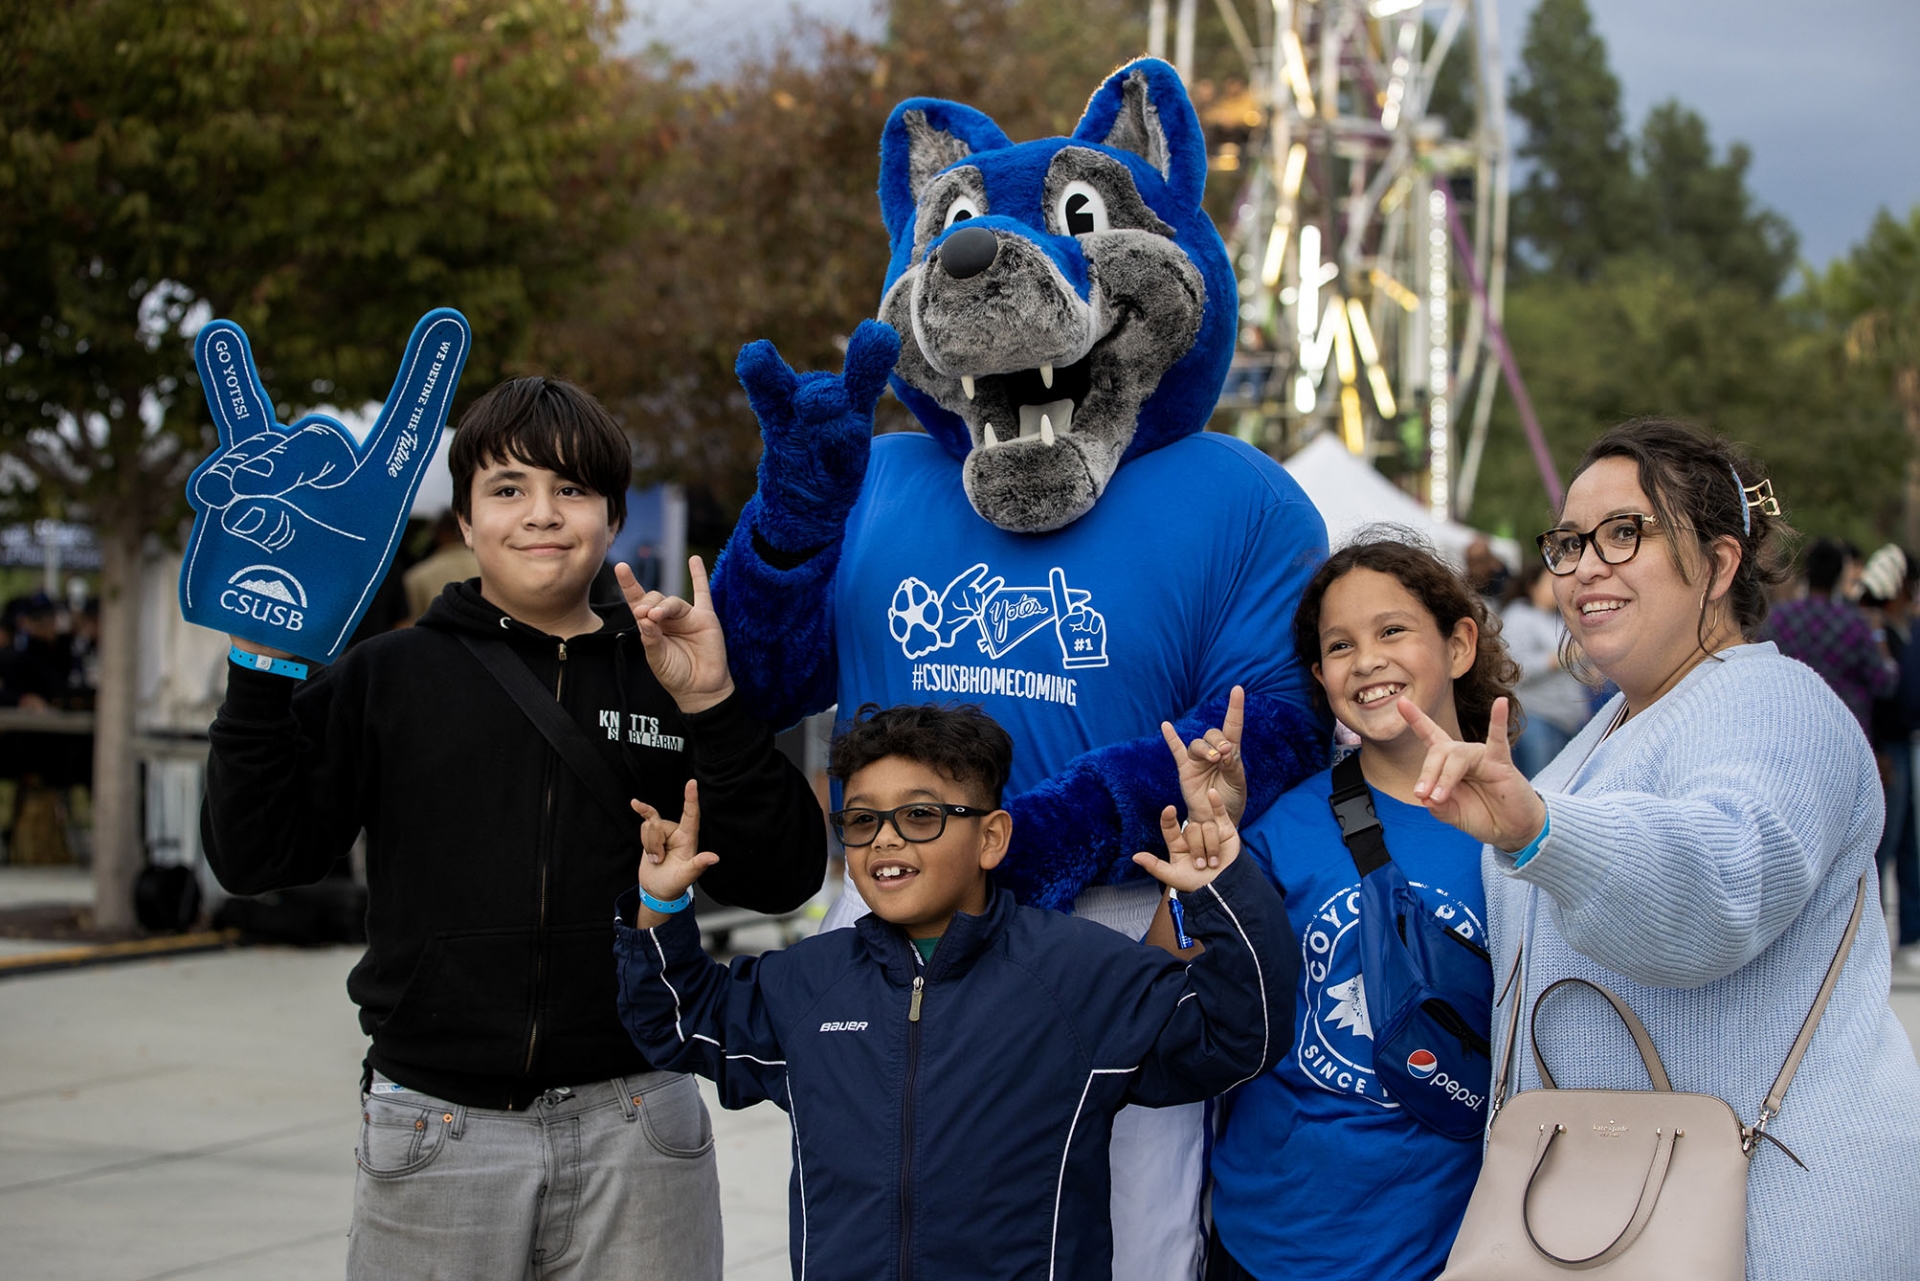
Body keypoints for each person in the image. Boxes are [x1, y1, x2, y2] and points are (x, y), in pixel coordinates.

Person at [200, 376, 828, 1281]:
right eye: (508, 489)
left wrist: (715, 704)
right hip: (436, 1125)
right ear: (465, 521)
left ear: (613, 517)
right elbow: (257, 856)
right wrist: (258, 670)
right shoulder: (392, 675)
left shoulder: (670, 665)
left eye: (571, 489)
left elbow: (783, 876)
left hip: (640, 1121)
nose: (542, 514)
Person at [1398, 418, 1920, 1276]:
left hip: (1767, 1226)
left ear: (1719, 563)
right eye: (1569, 542)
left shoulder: (1780, 703)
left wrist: (1542, 832)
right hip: (1610, 1215)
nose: (1585, 566)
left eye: (1625, 533)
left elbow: (1718, 881)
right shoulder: (1604, 731)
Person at [612, 702, 1296, 1281]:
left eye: (919, 815)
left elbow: (1243, 1031)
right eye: (861, 819)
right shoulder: (808, 982)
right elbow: (678, 1022)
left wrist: (1218, 884)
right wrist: (658, 903)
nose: (884, 839)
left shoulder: (1080, 975)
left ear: (991, 837)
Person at [1206, 534, 1517, 1281]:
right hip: (1265, 1238)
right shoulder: (1286, 823)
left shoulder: (1522, 828)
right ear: (1320, 675)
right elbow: (1177, 982)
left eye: (1393, 630)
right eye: (1339, 644)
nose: (1367, 659)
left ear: (1461, 644)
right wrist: (1209, 853)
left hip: (1441, 1249)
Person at [1764, 535, 1898, 738]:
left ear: (1807, 571)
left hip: (1793, 731)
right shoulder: (1854, 623)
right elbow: (1884, 683)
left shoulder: (1779, 619)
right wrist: (1879, 635)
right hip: (1845, 735)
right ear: (1838, 576)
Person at [1500, 558, 1592, 777]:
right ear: (1533, 584)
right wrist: (1555, 660)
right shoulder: (1519, 616)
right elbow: (1511, 670)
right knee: (1541, 787)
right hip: (1537, 718)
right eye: (1551, 580)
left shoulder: (1559, 619)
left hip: (1567, 720)